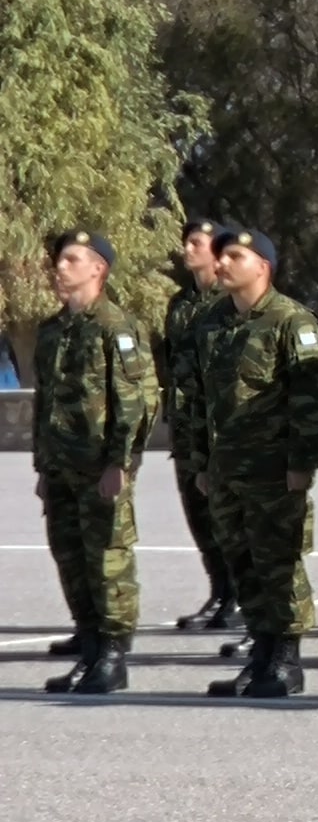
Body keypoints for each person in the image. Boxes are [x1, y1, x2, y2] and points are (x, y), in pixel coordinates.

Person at [193, 227, 318, 701]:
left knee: (279, 564)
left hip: (275, 469)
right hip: (226, 469)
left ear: (263, 267)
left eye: (236, 256)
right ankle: (260, 652)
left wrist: (303, 462)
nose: (224, 263)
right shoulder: (212, 321)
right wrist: (200, 461)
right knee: (243, 564)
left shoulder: (291, 321)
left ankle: (286, 660)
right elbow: (197, 397)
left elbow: (312, 398)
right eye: (223, 255)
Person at [31, 228, 158, 697]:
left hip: (100, 466)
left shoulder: (116, 328)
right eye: (59, 260)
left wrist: (121, 463)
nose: (59, 268)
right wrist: (43, 468)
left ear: (97, 269)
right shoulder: (52, 331)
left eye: (71, 260)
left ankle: (112, 655)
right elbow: (45, 404)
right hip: (61, 467)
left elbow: (136, 401)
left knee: (108, 560)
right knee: (71, 559)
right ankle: (88, 648)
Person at [158, 220, 233, 633]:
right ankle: (220, 590)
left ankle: (240, 594)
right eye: (186, 241)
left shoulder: (229, 301)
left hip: (220, 427)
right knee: (198, 515)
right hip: (187, 426)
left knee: (228, 516)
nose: (187, 249)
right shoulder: (180, 303)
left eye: (196, 243)